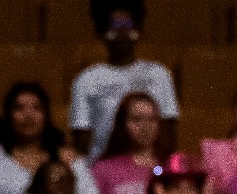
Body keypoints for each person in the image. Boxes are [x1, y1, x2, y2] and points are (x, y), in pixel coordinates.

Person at [70, 0, 178, 161]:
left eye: (127, 25)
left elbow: (169, 133)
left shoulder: (158, 74)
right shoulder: (87, 79)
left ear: (138, 28)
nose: (122, 32)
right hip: (102, 166)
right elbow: (81, 140)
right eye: (114, 26)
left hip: (147, 165)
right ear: (102, 30)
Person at [92, 94, 169, 194]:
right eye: (136, 119)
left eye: (152, 119)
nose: (145, 127)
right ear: (122, 124)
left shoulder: (170, 167)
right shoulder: (104, 170)